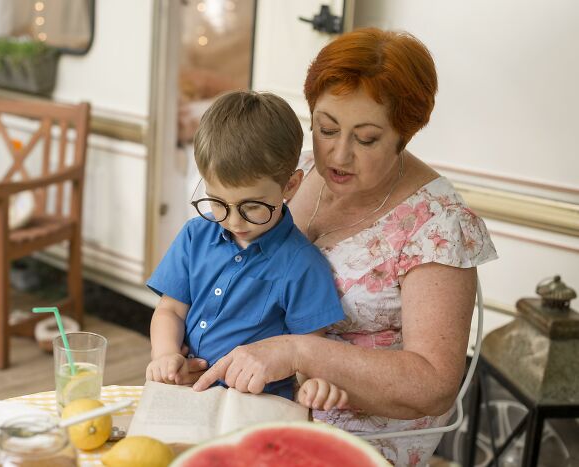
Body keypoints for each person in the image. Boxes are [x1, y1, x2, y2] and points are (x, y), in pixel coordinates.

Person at [192, 28, 498, 465]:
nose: (337, 155)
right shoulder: (295, 171)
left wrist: (298, 351)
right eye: (326, 128)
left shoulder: (437, 223)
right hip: (254, 404)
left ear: (404, 134)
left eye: (367, 138)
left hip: (357, 438)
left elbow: (434, 385)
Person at [145, 91, 346, 402]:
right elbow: (170, 310)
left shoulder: (303, 265)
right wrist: (165, 355)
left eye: (252, 206)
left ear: (290, 186)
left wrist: (313, 385)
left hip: (253, 403)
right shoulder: (194, 236)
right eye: (217, 203)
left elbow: (309, 353)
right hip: (185, 393)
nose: (235, 221)